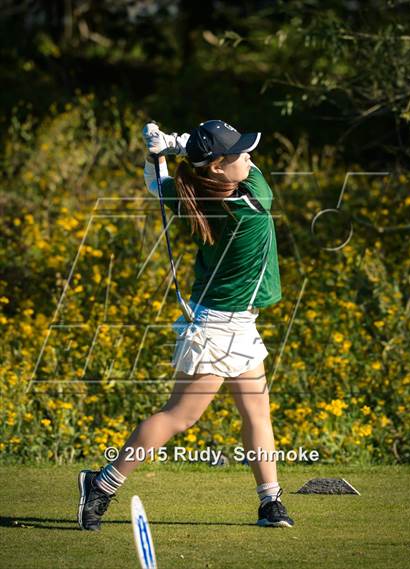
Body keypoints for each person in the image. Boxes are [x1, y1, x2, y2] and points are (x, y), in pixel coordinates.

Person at [77, 120, 295, 531]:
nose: (249, 158)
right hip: (216, 327)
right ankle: (100, 485)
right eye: (239, 154)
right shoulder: (251, 203)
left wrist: (162, 151)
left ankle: (270, 503)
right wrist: (177, 145)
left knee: (257, 414)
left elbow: (157, 185)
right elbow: (253, 177)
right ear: (215, 168)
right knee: (179, 416)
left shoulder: (193, 195)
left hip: (237, 323)